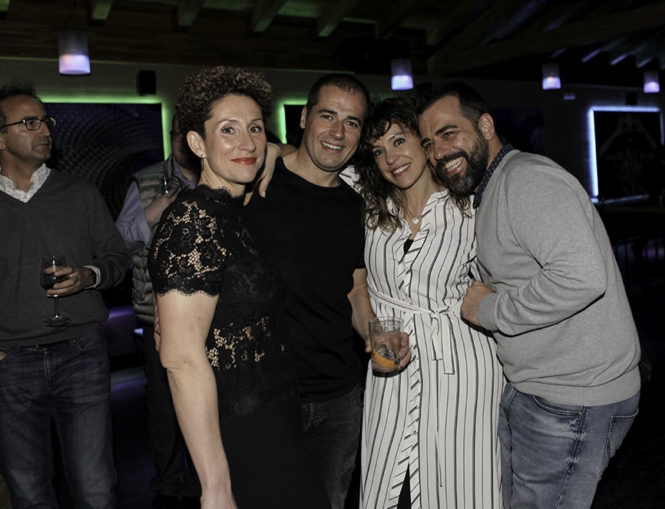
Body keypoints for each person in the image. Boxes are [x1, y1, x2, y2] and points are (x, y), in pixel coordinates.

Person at [417, 82, 642, 509]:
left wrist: (490, 308)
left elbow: (581, 278)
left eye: (449, 133)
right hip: (548, 392)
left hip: (572, 399)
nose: (438, 152)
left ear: (485, 126)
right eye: (429, 143)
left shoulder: (526, 180)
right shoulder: (492, 188)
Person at [148, 66, 329, 509]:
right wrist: (215, 486)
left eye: (255, 128)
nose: (247, 143)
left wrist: (270, 152)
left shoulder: (232, 210)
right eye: (227, 130)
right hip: (239, 429)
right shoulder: (193, 220)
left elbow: (283, 152)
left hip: (275, 415)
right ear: (197, 144)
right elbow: (180, 359)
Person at [356, 96, 504, 508]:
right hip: (390, 363)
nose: (390, 159)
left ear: (423, 143)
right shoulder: (368, 207)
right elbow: (310, 163)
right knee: (388, 484)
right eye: (378, 151)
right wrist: (273, 152)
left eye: (399, 141)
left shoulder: (470, 206)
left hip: (464, 368)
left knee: (464, 483)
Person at [243, 74, 374, 509]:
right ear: (304, 117)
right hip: (262, 397)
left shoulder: (355, 207)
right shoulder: (255, 182)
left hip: (339, 398)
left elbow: (355, 289)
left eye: (352, 123)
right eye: (327, 116)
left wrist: (374, 333)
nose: (338, 132)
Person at [0, 82, 130, 508]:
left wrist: (89, 276)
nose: (45, 131)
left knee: (95, 489)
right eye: (29, 123)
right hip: (10, 363)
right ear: (1, 138)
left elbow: (117, 258)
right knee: (28, 492)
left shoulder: (80, 193)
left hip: (81, 354)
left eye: (45, 121)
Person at [115, 115, 202, 508]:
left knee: (211, 402)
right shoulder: (146, 180)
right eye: (177, 132)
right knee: (165, 407)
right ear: (171, 135)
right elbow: (117, 242)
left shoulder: (222, 173)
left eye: (191, 132)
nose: (184, 140)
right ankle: (168, 485)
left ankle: (205, 482)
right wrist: (153, 213)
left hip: (213, 315)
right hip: (159, 316)